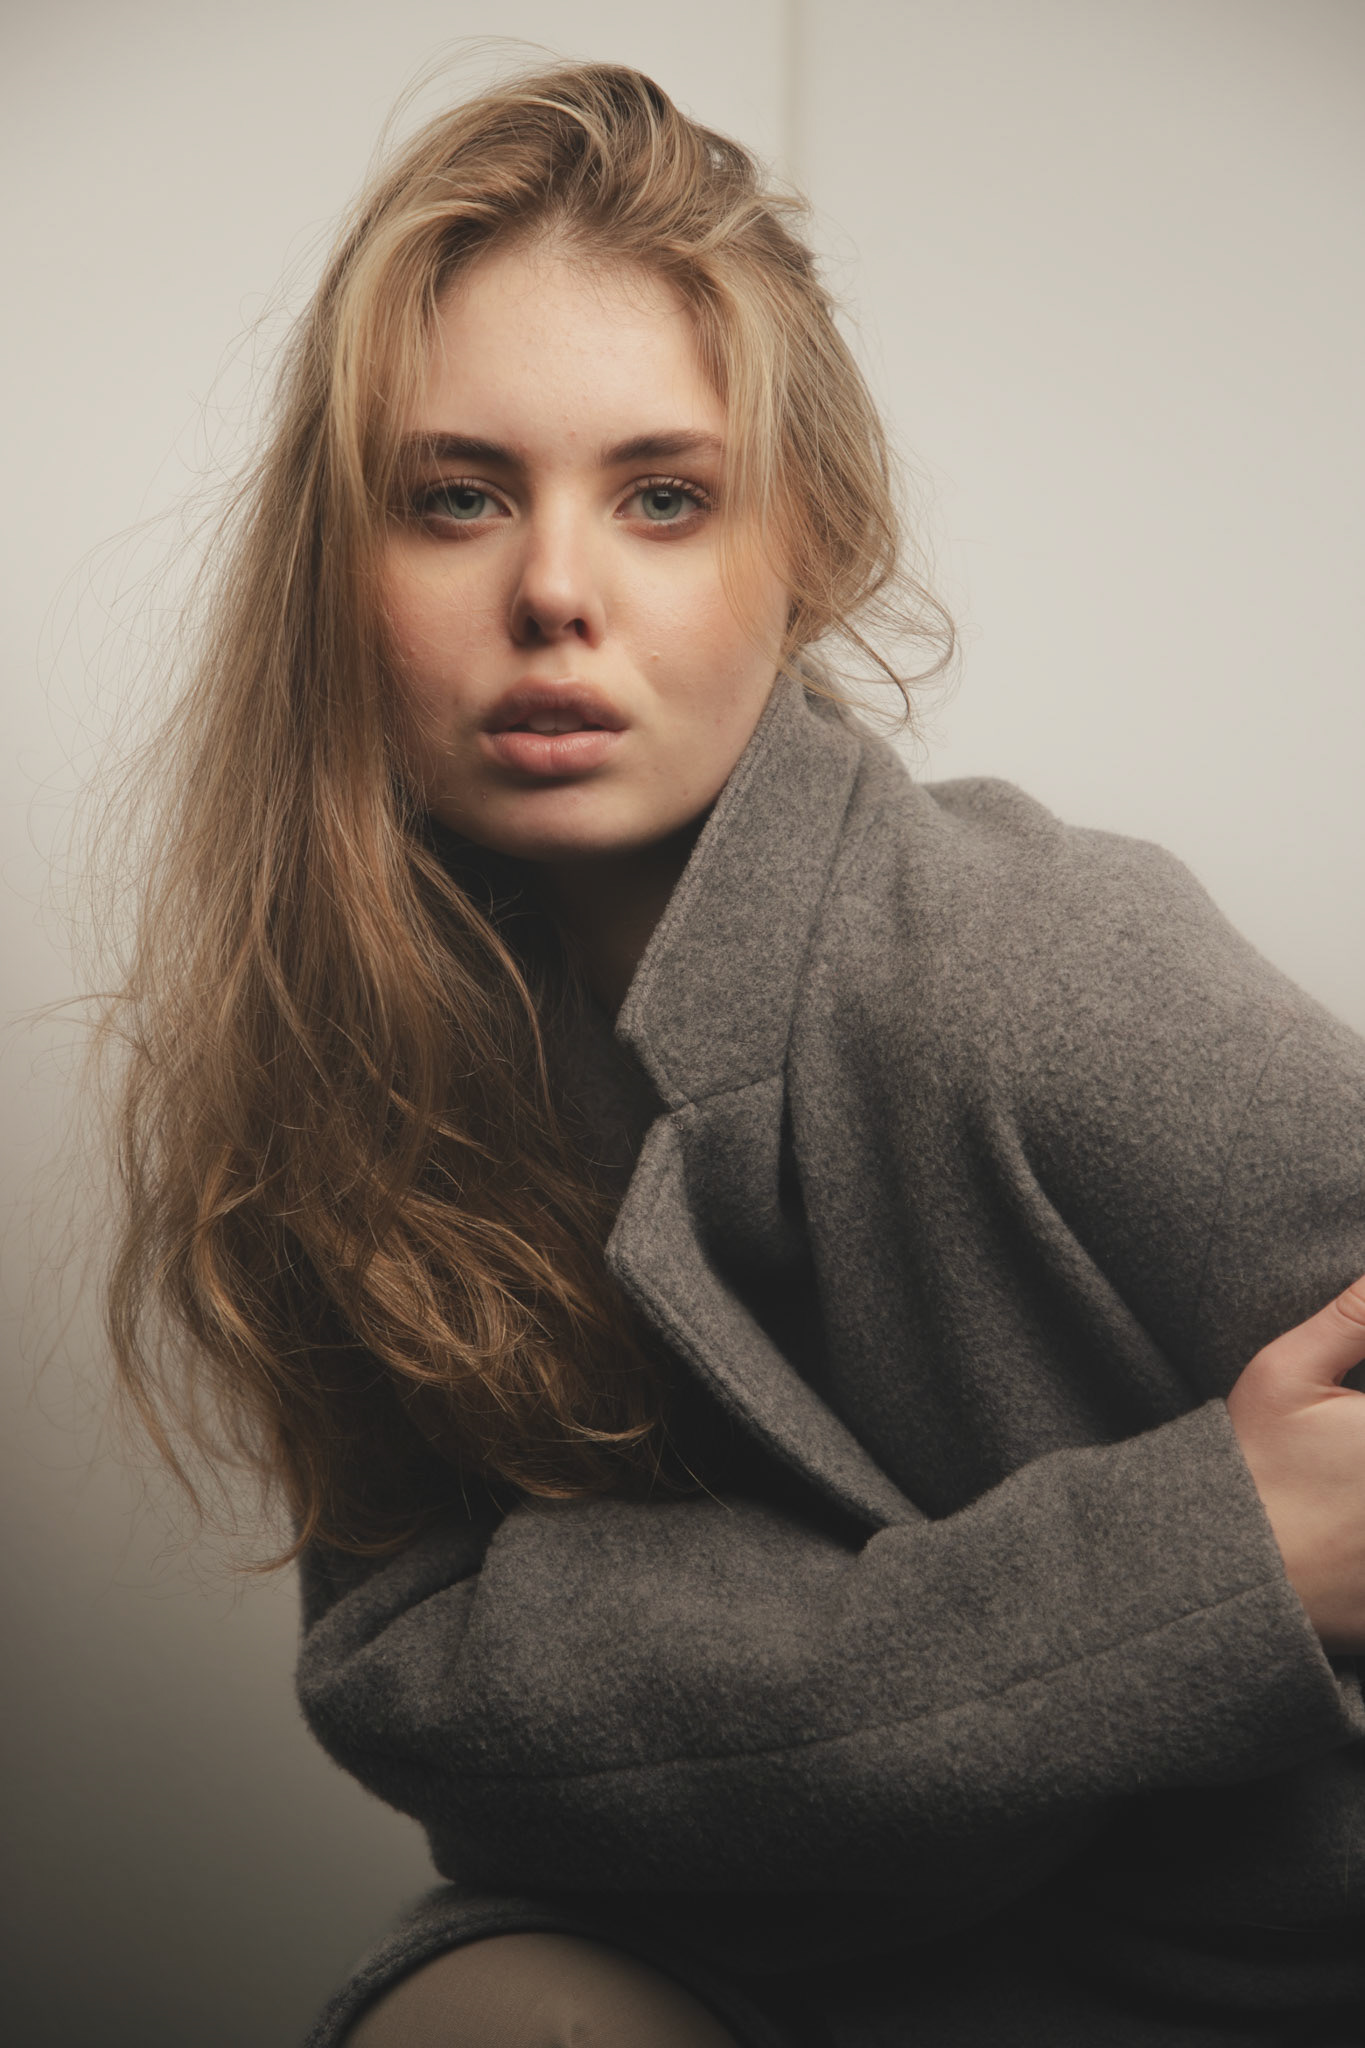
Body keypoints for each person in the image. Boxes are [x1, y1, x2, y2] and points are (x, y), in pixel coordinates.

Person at [101, 61, 1365, 2048]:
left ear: (809, 544)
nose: (553, 593)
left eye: (662, 497)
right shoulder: (356, 1057)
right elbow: (431, 1688)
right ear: (339, 563)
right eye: (455, 497)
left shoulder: (1034, 963)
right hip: (744, 1949)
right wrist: (1206, 1563)